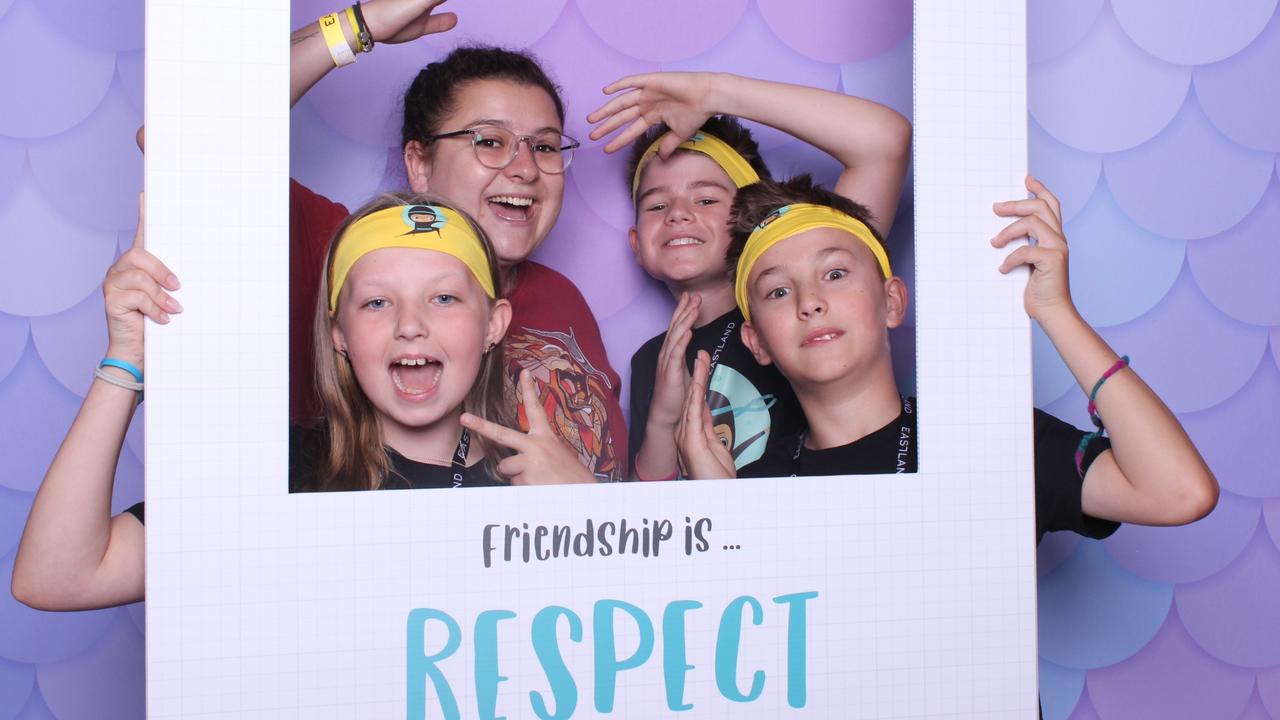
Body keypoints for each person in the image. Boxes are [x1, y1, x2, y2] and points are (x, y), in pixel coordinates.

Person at [11, 194, 592, 611]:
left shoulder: (544, 486)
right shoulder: (280, 473)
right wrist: (127, 359)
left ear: (494, 324)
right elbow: (56, 579)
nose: (410, 326)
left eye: (443, 297)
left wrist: (590, 519)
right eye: (376, 304)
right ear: (338, 334)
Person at [676, 175, 1218, 542]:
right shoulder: (751, 488)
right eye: (777, 292)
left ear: (892, 302)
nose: (810, 301)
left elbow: (1180, 493)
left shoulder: (986, 441)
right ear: (757, 343)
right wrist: (721, 512)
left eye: (835, 274)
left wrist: (1056, 311)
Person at [289, 1, 628, 481]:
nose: (526, 168)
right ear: (420, 164)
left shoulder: (562, 296)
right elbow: (183, 142)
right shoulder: (348, 255)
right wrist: (353, 28)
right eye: (490, 140)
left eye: (545, 146)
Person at [586, 71, 911, 479]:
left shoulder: (796, 307)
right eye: (656, 206)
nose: (679, 214)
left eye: (705, 198)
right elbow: (653, 513)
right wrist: (662, 424)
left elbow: (883, 143)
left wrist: (713, 94)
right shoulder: (651, 359)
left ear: (749, 217)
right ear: (636, 242)